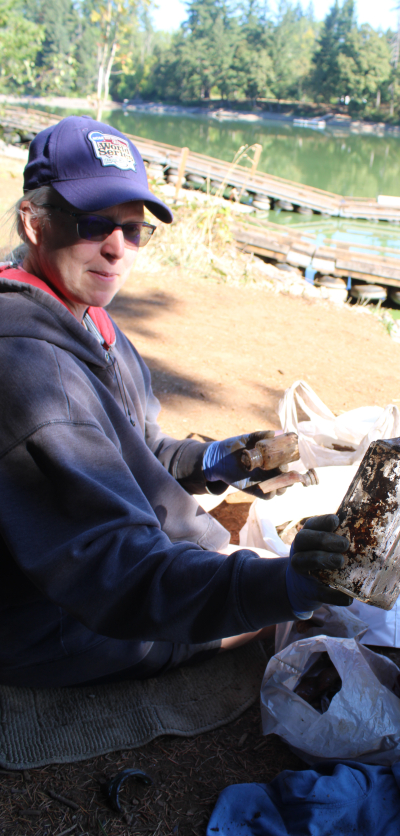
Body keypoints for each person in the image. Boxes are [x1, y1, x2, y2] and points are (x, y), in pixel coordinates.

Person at [0, 116, 351, 689]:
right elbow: (118, 572)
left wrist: (215, 463)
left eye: (132, 230)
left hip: (102, 579)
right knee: (274, 605)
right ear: (33, 222)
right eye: (93, 224)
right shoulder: (30, 368)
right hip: (47, 622)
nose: (116, 250)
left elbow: (133, 449)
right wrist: (284, 589)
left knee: (259, 576)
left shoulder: (86, 317)